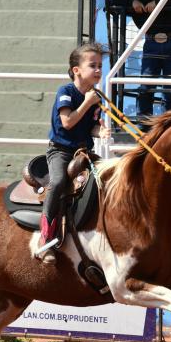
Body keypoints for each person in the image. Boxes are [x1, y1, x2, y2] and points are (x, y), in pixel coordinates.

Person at [37, 43, 110, 264]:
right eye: (93, 66)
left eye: (100, 66)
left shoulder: (94, 96)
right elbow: (67, 122)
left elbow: (90, 127)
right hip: (61, 151)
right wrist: (87, 103)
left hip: (83, 152)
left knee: (105, 181)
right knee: (58, 182)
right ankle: (45, 238)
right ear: (76, 70)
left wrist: (101, 130)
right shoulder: (66, 92)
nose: (98, 70)